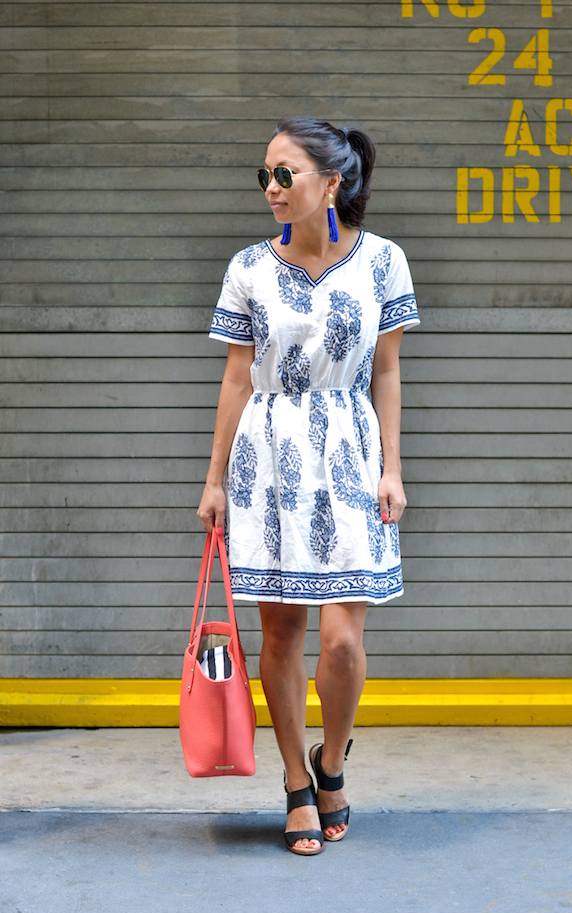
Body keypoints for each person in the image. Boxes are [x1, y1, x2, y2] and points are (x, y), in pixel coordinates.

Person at [197, 117, 419, 855]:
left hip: (351, 455)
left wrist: (392, 467)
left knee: (343, 641)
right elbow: (235, 378)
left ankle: (333, 761)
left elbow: (385, 370)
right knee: (282, 633)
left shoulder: (383, 262)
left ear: (332, 182)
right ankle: (297, 782)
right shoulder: (248, 268)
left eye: (284, 173)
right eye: (264, 173)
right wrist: (215, 480)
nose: (270, 187)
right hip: (266, 458)